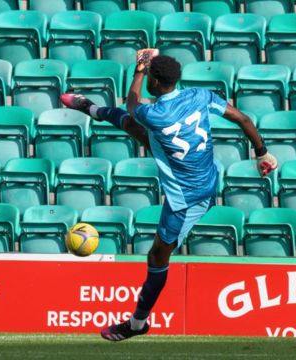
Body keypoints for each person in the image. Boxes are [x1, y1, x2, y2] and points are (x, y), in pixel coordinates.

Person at [61, 50, 278, 342]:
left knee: (157, 256)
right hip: (203, 171)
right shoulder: (199, 95)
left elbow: (132, 102)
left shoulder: (154, 112)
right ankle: (91, 108)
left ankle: (137, 323)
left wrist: (139, 68)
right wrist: (262, 152)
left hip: (187, 198)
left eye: (150, 76)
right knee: (132, 126)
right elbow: (242, 118)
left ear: (155, 81)